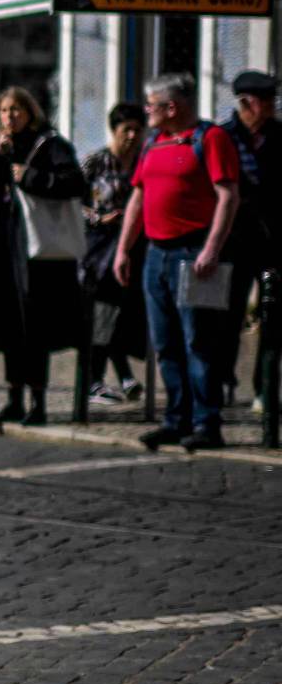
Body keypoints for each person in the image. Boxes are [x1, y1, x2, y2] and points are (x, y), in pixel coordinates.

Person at [114, 74, 240, 450]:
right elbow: (138, 199)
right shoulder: (155, 142)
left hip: (192, 253)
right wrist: (123, 249)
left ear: (172, 107)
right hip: (156, 253)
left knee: (198, 340)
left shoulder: (210, 138)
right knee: (166, 343)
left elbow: (228, 196)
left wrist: (212, 248)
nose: (146, 110)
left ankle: (206, 423)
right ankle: (176, 419)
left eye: (151, 104)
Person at [0, 86, 88, 427]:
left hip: (37, 254)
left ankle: (38, 402)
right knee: (7, 325)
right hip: (2, 249)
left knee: (36, 329)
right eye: (3, 111)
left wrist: (29, 177)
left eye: (16, 110)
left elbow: (75, 182)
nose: (9, 117)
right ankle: (14, 398)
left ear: (30, 112)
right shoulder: (3, 147)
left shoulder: (51, 145)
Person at [213, 71, 279, 410]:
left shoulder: (279, 137)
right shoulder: (222, 137)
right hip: (232, 241)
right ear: (243, 103)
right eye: (263, 102)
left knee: (273, 316)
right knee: (228, 314)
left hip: (272, 242)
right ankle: (224, 380)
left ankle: (263, 387)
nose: (269, 107)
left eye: (271, 101)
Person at [82, 104, 149, 405]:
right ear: (114, 130)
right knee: (105, 312)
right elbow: (71, 202)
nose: (133, 136)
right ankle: (99, 380)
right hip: (101, 249)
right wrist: (96, 217)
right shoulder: (96, 162)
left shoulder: (143, 161)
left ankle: (121, 376)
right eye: (127, 130)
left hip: (137, 247)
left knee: (124, 315)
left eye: (138, 129)